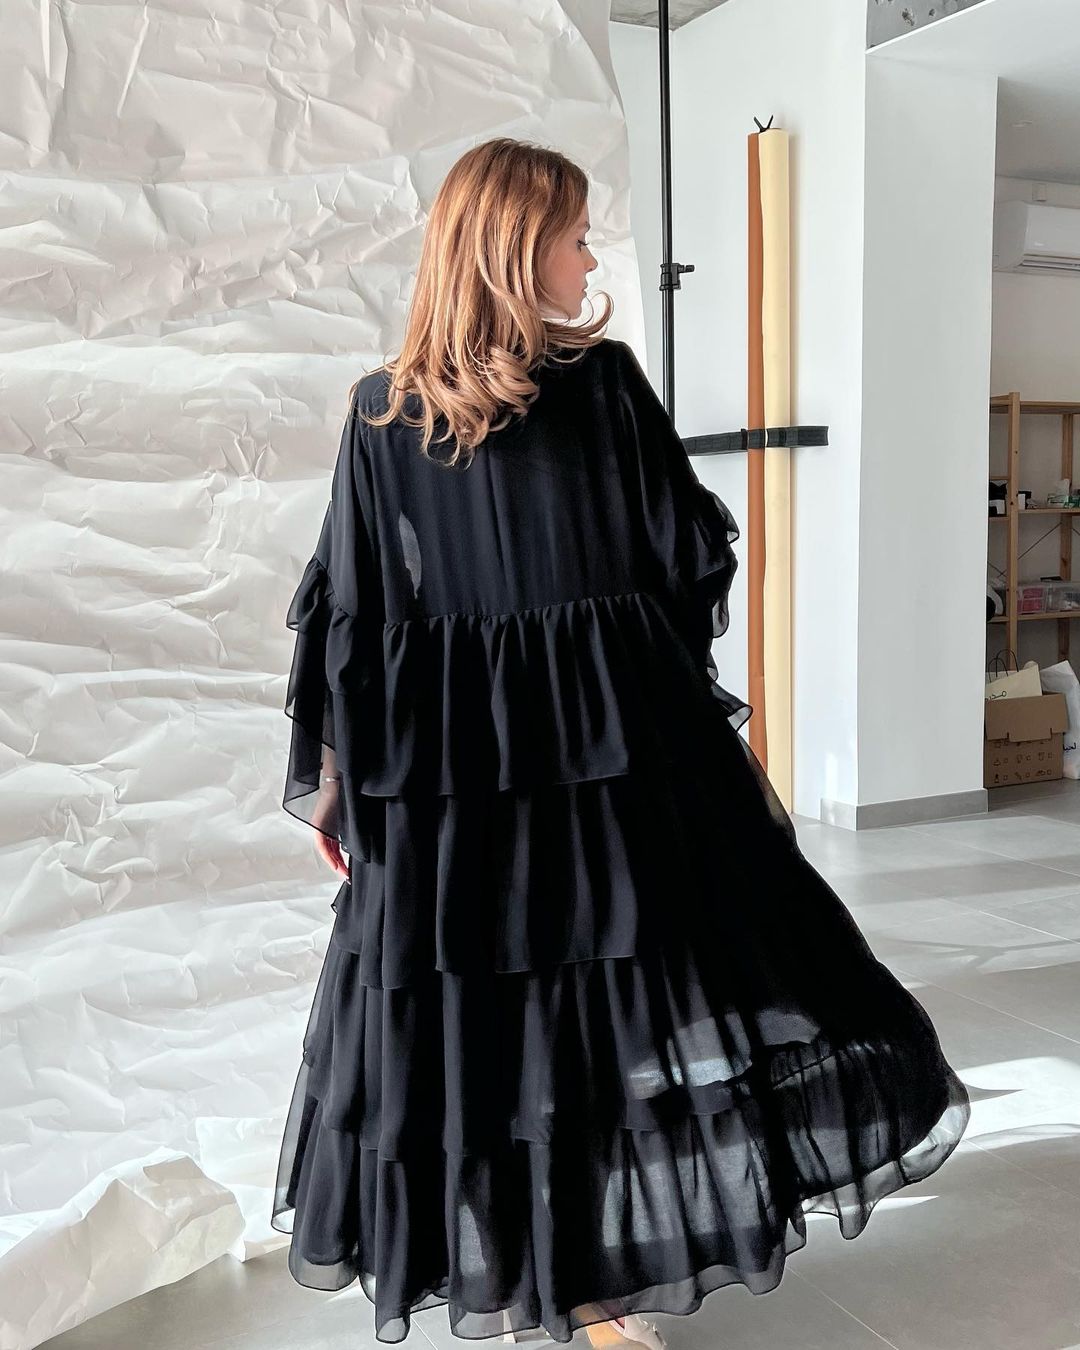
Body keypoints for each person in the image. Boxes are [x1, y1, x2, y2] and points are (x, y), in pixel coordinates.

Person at [271, 137, 971, 1348]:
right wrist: (363, 786)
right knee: (545, 1020)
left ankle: (570, 1280)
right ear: (513, 247)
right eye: (577, 236)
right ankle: (568, 1283)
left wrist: (349, 781)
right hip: (562, 756)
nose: (592, 259)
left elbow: (358, 627)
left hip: (505, 767)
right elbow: (674, 560)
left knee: (548, 1019)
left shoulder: (422, 407)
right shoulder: (504, 398)